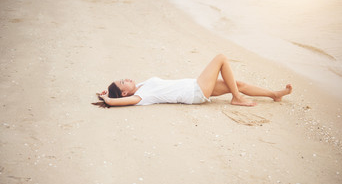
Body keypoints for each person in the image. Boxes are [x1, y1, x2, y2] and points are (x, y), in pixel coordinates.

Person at [93, 54, 292, 108]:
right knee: (221, 58)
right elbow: (123, 101)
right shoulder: (141, 96)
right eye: (123, 82)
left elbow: (117, 94)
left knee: (236, 83)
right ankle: (237, 98)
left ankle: (274, 94)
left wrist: (106, 92)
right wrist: (110, 100)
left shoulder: (141, 85)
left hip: (194, 87)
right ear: (126, 93)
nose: (126, 79)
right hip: (195, 91)